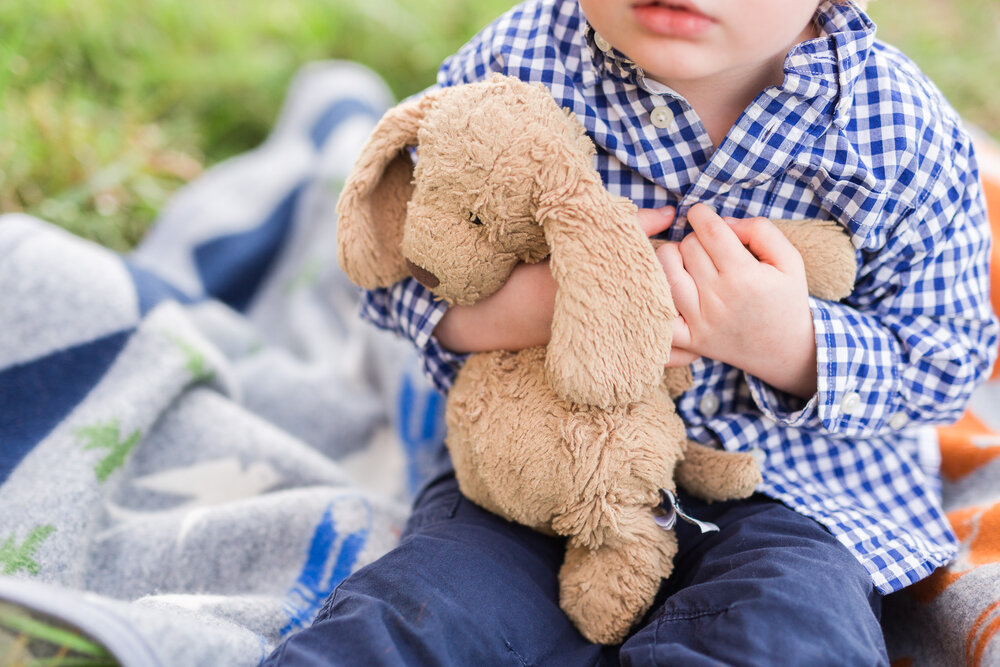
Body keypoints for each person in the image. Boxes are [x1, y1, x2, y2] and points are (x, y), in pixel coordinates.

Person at [264, 0, 998, 664]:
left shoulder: (895, 133)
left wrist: (790, 345)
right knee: (424, 606)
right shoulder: (518, 61)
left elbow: (948, 355)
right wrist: (529, 306)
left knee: (788, 628)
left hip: (795, 489)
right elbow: (396, 269)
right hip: (546, 467)